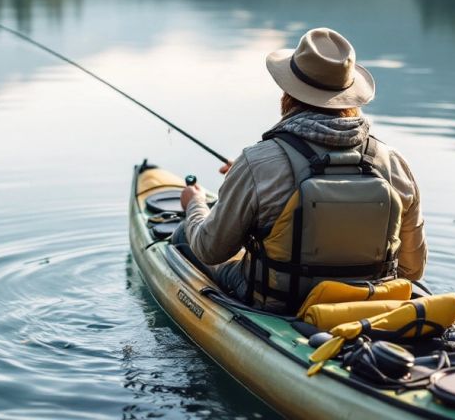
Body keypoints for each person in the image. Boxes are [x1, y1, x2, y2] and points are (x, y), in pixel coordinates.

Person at [173, 28, 426, 314]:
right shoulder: (394, 163)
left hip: (280, 305)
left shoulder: (257, 163)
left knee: (185, 233)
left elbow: (210, 249)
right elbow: (412, 270)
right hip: (373, 303)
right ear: (349, 96)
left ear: (288, 93)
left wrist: (194, 203)